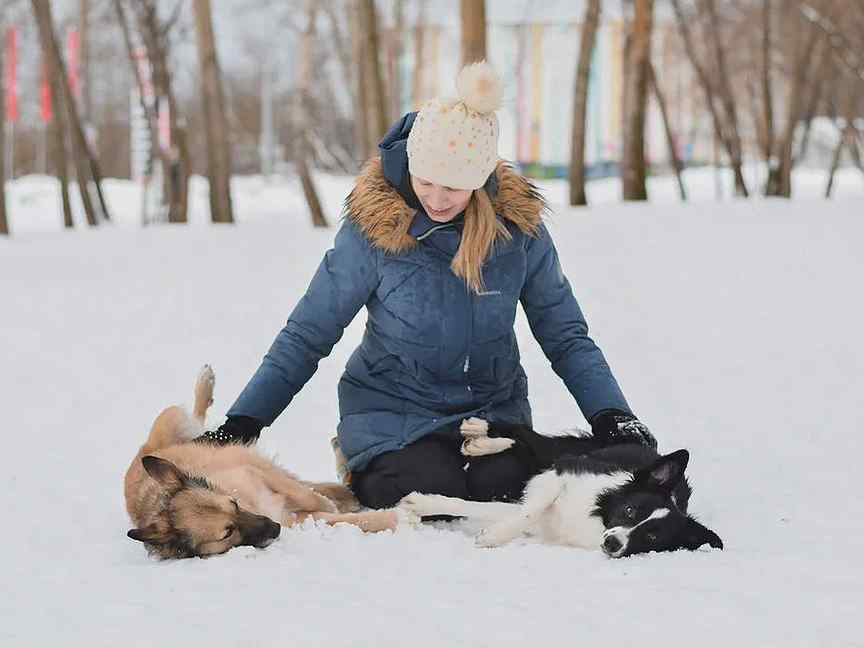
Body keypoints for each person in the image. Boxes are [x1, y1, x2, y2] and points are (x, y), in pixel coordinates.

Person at [198, 62, 655, 508]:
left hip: (491, 418)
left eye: (453, 187)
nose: (436, 199)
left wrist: (612, 416)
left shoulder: (519, 234)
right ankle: (360, 462)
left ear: (479, 181)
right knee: (422, 494)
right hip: (394, 416)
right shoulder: (373, 232)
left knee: (515, 486)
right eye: (426, 181)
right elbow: (308, 334)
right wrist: (244, 422)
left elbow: (566, 335)